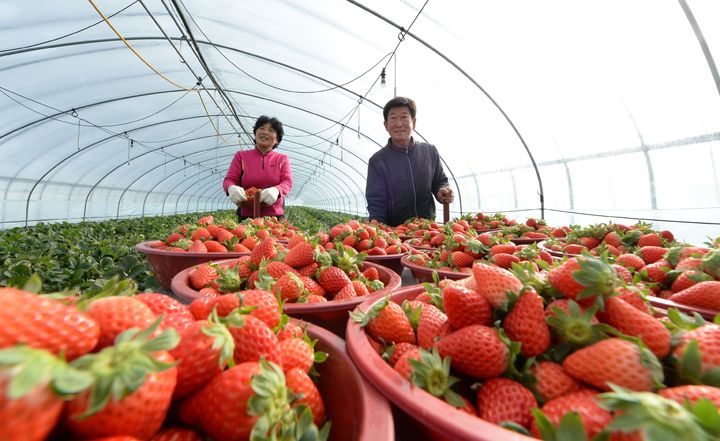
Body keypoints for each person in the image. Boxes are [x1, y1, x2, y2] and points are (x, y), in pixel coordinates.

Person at [365, 97, 454, 227]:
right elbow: (376, 201)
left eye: (404, 117)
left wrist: (442, 190)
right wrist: (379, 229)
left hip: (427, 230)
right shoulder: (378, 161)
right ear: (386, 125)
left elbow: (439, 180)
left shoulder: (430, 152)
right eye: (393, 118)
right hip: (395, 235)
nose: (399, 124)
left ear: (414, 122)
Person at [223, 115, 293, 220]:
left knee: (276, 236)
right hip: (246, 216)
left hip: (274, 216)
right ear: (255, 134)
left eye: (271, 130)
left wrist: (277, 190)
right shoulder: (241, 156)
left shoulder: (282, 159)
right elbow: (230, 179)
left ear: (277, 139)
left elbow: (287, 181)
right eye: (261, 128)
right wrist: (231, 188)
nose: (265, 132)